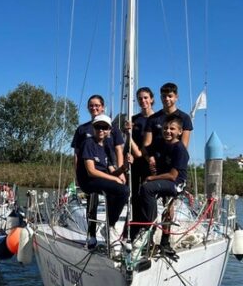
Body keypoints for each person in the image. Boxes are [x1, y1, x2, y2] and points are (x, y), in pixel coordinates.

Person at [76, 114, 131, 248]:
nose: (101, 130)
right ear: (93, 128)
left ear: (109, 130)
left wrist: (123, 167)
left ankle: (109, 226)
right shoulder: (88, 143)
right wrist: (114, 178)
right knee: (123, 190)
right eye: (98, 127)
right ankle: (109, 226)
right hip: (89, 181)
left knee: (121, 190)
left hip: (101, 178)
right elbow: (91, 171)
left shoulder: (106, 146)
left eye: (104, 127)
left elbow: (111, 170)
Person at [138, 115, 189, 247]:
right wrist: (151, 159)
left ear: (180, 131)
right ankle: (150, 235)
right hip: (164, 179)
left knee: (148, 188)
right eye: (165, 128)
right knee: (143, 193)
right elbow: (144, 149)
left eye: (172, 129)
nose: (168, 131)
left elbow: (173, 175)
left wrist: (151, 178)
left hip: (177, 183)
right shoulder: (161, 143)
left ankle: (152, 229)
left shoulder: (180, 149)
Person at [123, 87, 155, 239]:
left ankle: (150, 229)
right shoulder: (133, 119)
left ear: (152, 99)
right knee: (134, 196)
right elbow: (128, 144)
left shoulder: (158, 118)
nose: (143, 101)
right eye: (140, 98)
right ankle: (134, 229)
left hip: (151, 163)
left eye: (146, 97)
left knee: (148, 197)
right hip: (135, 163)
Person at [143, 83, 193, 175]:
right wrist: (150, 158)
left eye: (170, 96)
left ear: (176, 97)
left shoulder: (185, 118)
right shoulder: (152, 119)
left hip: (174, 165)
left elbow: (184, 145)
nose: (166, 99)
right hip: (156, 164)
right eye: (164, 96)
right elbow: (147, 144)